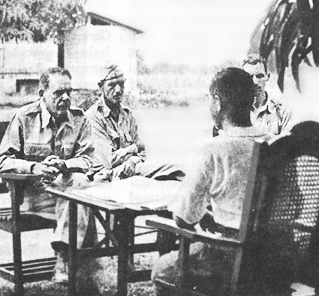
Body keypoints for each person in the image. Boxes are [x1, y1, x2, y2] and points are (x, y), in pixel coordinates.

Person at [151, 68, 269, 295]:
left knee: (162, 270)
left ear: (217, 103)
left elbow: (182, 218)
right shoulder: (274, 144)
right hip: (271, 259)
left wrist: (205, 217)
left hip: (231, 257)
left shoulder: (214, 149)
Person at [0, 66, 97, 286]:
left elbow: (89, 161)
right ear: (42, 94)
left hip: (68, 193)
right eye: (58, 93)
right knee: (81, 198)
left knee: (79, 184)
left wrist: (65, 165)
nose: (66, 98)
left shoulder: (80, 120)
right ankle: (78, 267)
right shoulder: (24, 118)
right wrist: (35, 168)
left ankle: (64, 259)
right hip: (33, 196)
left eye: (69, 91)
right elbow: (3, 162)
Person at [85, 64, 184, 181]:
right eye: (111, 85)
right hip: (105, 175)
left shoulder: (127, 115)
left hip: (129, 169)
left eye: (121, 84)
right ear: (101, 87)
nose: (118, 90)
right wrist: (134, 148)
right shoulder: (92, 117)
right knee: (168, 171)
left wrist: (132, 161)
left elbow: (142, 152)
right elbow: (108, 160)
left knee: (174, 169)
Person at [242, 54, 291, 135]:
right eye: (248, 77)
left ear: (267, 76)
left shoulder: (282, 111)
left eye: (259, 76)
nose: (254, 81)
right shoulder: (236, 112)